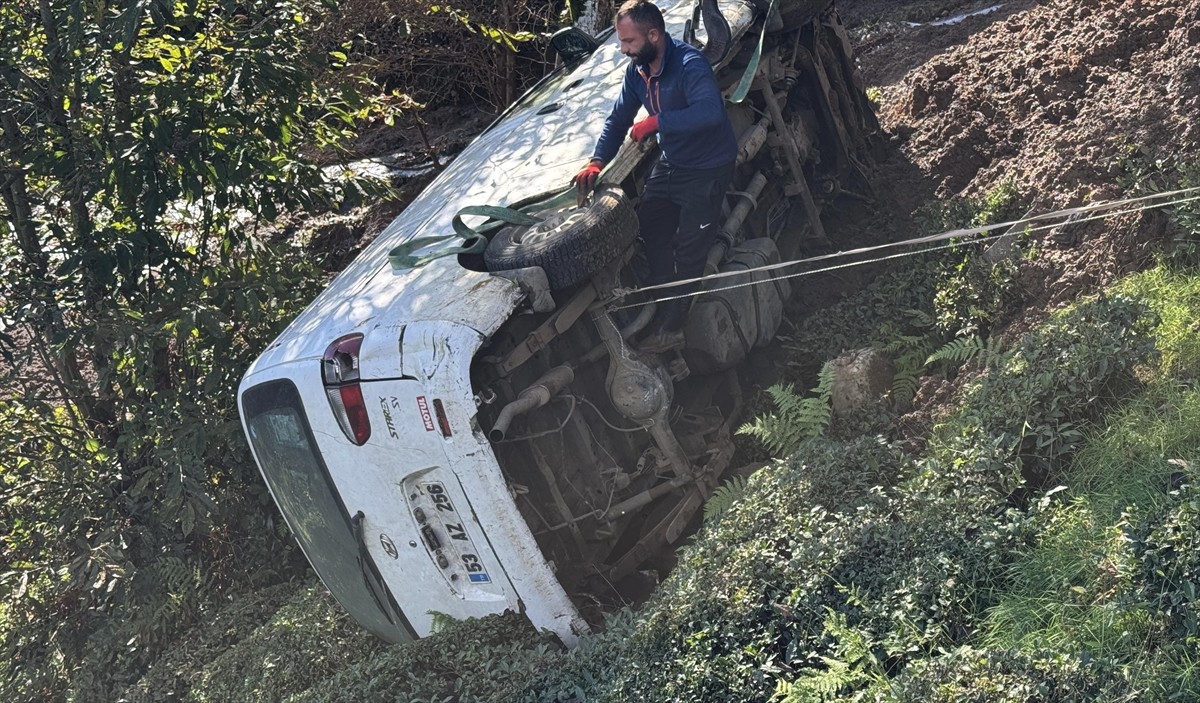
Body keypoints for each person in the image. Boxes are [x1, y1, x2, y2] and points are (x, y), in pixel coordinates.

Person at [573, 0, 738, 352]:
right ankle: (663, 294)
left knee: (691, 248)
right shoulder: (637, 72)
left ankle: (674, 323)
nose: (623, 50)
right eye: (621, 42)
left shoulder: (690, 65)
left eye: (629, 42)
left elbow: (710, 111)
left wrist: (657, 122)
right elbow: (618, 119)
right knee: (649, 225)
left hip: (707, 166)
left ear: (654, 35)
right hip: (673, 161)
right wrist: (597, 161)